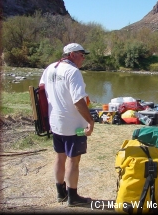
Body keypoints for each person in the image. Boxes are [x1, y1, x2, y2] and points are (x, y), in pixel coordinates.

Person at [39, 43, 94, 207]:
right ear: (72, 55)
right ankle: (73, 197)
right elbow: (78, 101)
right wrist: (90, 121)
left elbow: (41, 89)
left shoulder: (50, 68)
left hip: (55, 123)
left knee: (60, 157)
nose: (84, 58)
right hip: (74, 126)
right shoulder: (73, 71)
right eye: (82, 55)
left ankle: (60, 192)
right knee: (73, 160)